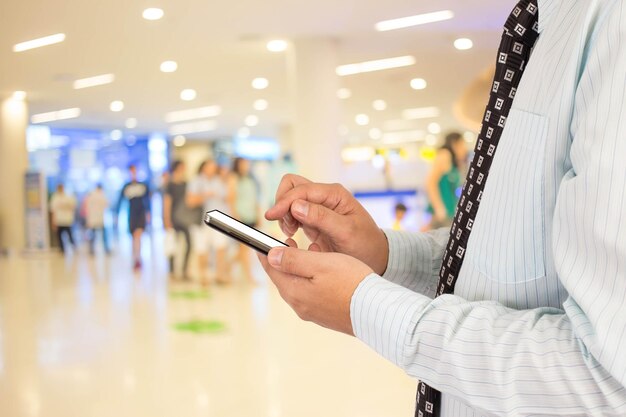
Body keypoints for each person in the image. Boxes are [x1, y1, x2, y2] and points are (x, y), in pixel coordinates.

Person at [258, 1, 626, 415]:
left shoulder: (612, 24)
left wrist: (365, 306)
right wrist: (382, 252)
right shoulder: (546, 25)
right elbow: (502, 261)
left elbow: (608, 377)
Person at [186, 159, 230, 285]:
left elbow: (227, 197)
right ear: (203, 167)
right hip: (201, 221)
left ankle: (219, 275)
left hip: (218, 221)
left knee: (221, 247)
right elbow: (190, 201)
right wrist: (206, 195)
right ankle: (203, 276)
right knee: (202, 249)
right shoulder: (197, 181)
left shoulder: (219, 181)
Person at [424, 132, 468, 230]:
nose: (465, 149)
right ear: (454, 144)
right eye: (462, 144)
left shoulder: (455, 162)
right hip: (442, 216)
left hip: (449, 213)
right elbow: (430, 182)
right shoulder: (445, 154)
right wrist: (439, 207)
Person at [232, 157, 261, 283]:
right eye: (243, 164)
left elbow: (255, 199)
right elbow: (231, 198)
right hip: (240, 216)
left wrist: (258, 215)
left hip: (251, 216)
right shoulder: (234, 179)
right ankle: (249, 277)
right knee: (244, 248)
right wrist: (235, 215)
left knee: (243, 248)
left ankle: (226, 268)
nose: (246, 166)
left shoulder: (251, 180)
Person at [117, 164, 151, 271]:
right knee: (134, 237)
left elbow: (147, 201)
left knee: (138, 236)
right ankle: (135, 257)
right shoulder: (126, 187)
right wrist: (116, 214)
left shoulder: (143, 185)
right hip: (132, 214)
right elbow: (120, 201)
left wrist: (148, 212)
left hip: (141, 213)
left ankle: (138, 258)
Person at [163, 160, 192, 280]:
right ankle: (172, 271)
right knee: (172, 246)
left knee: (189, 244)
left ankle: (185, 270)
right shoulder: (170, 185)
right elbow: (167, 202)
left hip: (184, 218)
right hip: (173, 218)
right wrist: (166, 219)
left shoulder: (186, 184)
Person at [49, 184, 77, 254]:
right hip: (59, 220)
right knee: (60, 236)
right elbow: (53, 210)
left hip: (67, 220)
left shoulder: (68, 197)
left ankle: (73, 246)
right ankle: (62, 249)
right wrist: (53, 221)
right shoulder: (55, 197)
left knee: (69, 234)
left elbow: (73, 206)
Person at [84, 184, 110, 255]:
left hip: (93, 218)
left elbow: (87, 207)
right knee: (103, 235)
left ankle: (91, 249)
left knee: (93, 235)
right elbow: (107, 204)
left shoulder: (90, 195)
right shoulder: (102, 195)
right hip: (99, 218)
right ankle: (106, 249)